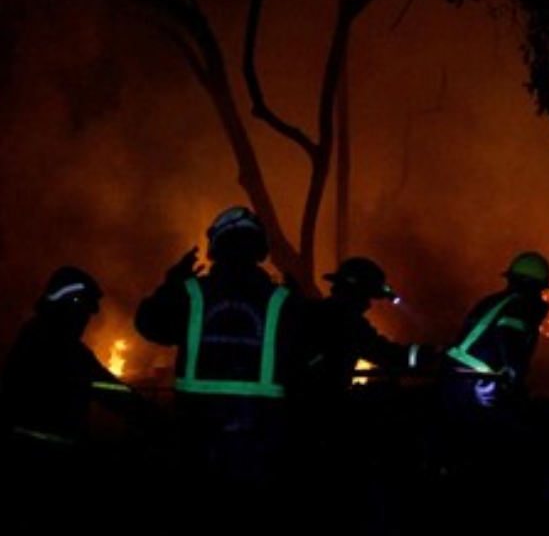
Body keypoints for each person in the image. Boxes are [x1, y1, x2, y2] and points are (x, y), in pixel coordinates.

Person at [133, 205, 296, 532]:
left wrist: (171, 283)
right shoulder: (282, 300)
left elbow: (148, 324)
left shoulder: (191, 293)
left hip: (196, 436)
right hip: (259, 440)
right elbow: (305, 356)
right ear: (259, 248)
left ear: (216, 246)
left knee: (197, 520)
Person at [0, 265, 163, 535]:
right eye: (85, 311)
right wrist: (154, 417)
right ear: (71, 304)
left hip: (20, 459)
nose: (86, 320)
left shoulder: (32, 333)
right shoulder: (62, 347)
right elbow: (107, 389)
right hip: (50, 468)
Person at [285, 256, 436, 534]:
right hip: (320, 414)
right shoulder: (346, 321)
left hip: (293, 410)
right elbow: (385, 354)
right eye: (367, 297)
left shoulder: (314, 311)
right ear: (356, 293)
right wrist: (429, 355)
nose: (368, 305)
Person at [433, 250, 549, 532]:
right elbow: (511, 345)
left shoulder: (494, 301)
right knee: (511, 445)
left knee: (464, 449)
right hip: (474, 385)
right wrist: (512, 382)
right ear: (538, 287)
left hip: (456, 381)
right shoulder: (521, 306)